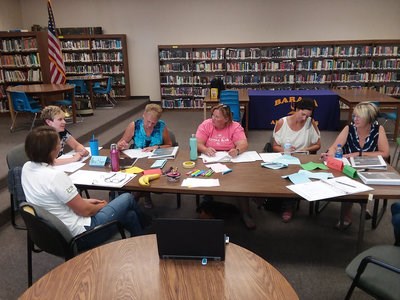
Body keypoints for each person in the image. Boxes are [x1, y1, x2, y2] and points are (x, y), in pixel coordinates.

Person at [21, 126, 145, 249]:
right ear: (51, 150)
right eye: (58, 145)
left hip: (53, 235)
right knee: (127, 198)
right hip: (81, 236)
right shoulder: (55, 176)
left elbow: (54, 201)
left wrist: (84, 201)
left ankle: (142, 244)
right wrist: (103, 205)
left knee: (130, 215)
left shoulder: (26, 168)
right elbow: (86, 211)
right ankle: (150, 229)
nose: (59, 147)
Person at [321, 101, 390, 229]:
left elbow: (385, 153)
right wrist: (330, 154)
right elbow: (335, 146)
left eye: (359, 116)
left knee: (359, 181)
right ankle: (351, 210)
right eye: (354, 116)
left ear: (369, 118)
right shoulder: (349, 128)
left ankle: (355, 205)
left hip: (370, 168)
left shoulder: (378, 129)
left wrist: (359, 154)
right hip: (348, 167)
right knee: (349, 180)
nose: (355, 119)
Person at [196, 103, 254, 229]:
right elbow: (198, 143)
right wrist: (205, 149)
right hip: (209, 159)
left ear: (226, 119)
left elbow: (243, 143)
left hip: (229, 159)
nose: (213, 119)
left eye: (217, 117)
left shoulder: (235, 126)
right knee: (205, 179)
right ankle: (206, 208)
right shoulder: (206, 124)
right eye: (213, 115)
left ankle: (246, 213)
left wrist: (237, 151)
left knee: (240, 182)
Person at [272, 97, 321, 222]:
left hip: (302, 158)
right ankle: (282, 201)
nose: (304, 118)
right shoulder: (282, 123)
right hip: (284, 157)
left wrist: (306, 148)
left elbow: (318, 145)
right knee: (282, 173)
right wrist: (285, 150)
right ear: (296, 109)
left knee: (296, 174)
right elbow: (275, 146)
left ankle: (288, 206)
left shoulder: (310, 123)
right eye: (303, 114)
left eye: (307, 116)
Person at [117, 103, 172, 208]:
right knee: (138, 175)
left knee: (151, 178)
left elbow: (169, 145)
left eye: (153, 123)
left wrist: (156, 147)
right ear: (143, 115)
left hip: (155, 162)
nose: (150, 125)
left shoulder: (161, 126)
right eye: (148, 121)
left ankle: (136, 198)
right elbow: (120, 144)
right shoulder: (134, 125)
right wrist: (120, 145)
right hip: (137, 161)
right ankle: (142, 195)